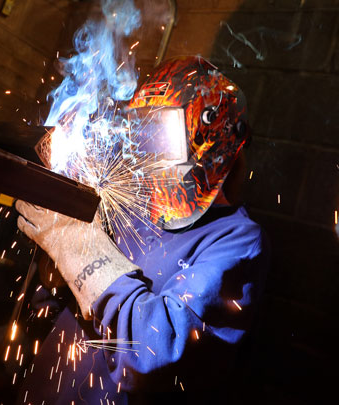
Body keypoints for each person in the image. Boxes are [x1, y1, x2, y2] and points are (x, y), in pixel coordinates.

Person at [15, 56, 269, 404]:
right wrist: (57, 269)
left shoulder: (237, 241)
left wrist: (79, 247)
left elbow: (154, 356)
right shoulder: (133, 208)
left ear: (210, 139)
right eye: (143, 129)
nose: (148, 151)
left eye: (161, 133)